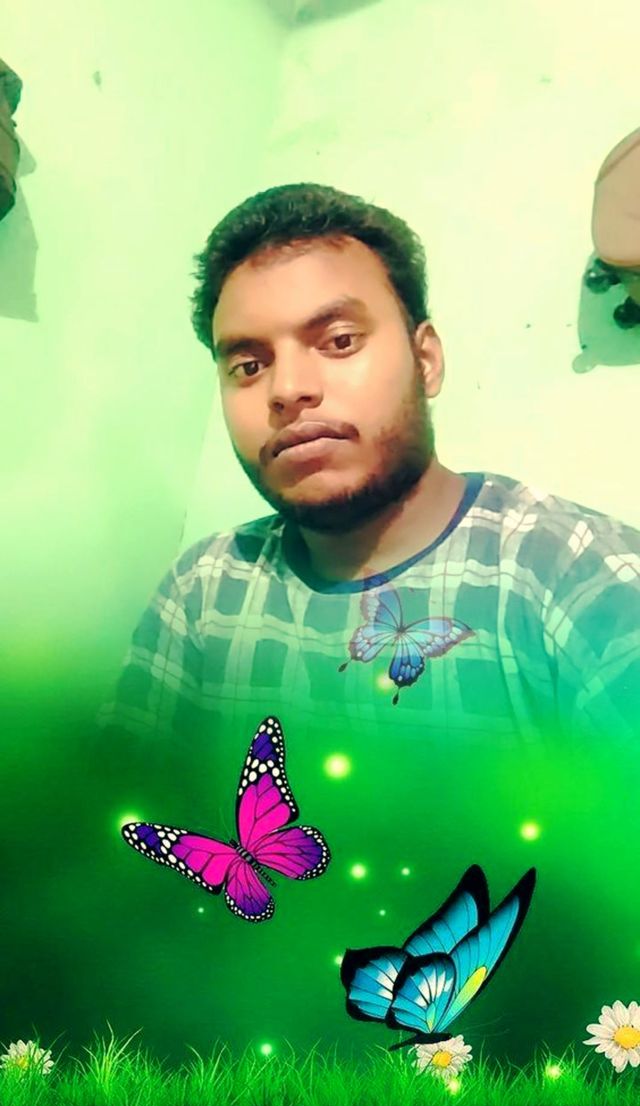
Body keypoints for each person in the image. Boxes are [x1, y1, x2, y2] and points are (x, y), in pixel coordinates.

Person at [98, 182, 640, 769]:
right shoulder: (204, 589)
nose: (287, 389)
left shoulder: (578, 576)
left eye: (339, 341)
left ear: (425, 360)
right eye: (249, 366)